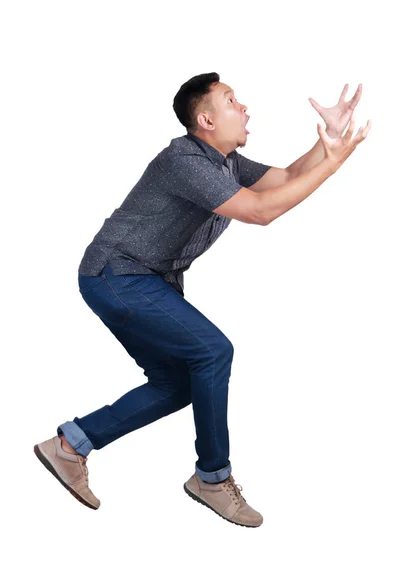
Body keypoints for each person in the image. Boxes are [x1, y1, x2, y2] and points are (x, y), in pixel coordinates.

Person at [34, 72, 371, 527]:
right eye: (232, 100)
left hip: (142, 279)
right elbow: (260, 211)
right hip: (117, 274)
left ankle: (71, 445)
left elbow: (288, 176)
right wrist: (333, 163)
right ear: (206, 119)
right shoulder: (184, 160)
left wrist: (329, 140)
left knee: (179, 384)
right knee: (213, 351)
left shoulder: (226, 163)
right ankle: (212, 479)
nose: (245, 107)